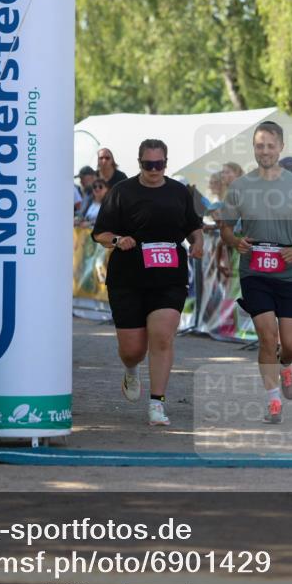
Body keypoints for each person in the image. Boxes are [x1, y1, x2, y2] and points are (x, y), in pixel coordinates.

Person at [92, 139, 204, 426]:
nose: (154, 169)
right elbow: (100, 233)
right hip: (128, 277)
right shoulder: (122, 191)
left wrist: (198, 243)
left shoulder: (180, 192)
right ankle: (131, 369)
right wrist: (118, 240)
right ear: (139, 162)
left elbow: (194, 227)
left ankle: (157, 404)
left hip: (169, 277)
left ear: (166, 163)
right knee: (132, 350)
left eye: (159, 164)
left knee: (162, 337)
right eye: (148, 164)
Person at [220, 121, 292, 425]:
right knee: (267, 336)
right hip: (254, 270)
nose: (265, 150)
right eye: (259, 145)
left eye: (270, 145)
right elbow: (225, 227)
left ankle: (284, 365)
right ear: (254, 148)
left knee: (291, 345)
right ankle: (273, 400)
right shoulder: (240, 186)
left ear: (281, 147)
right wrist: (235, 241)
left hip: (287, 268)